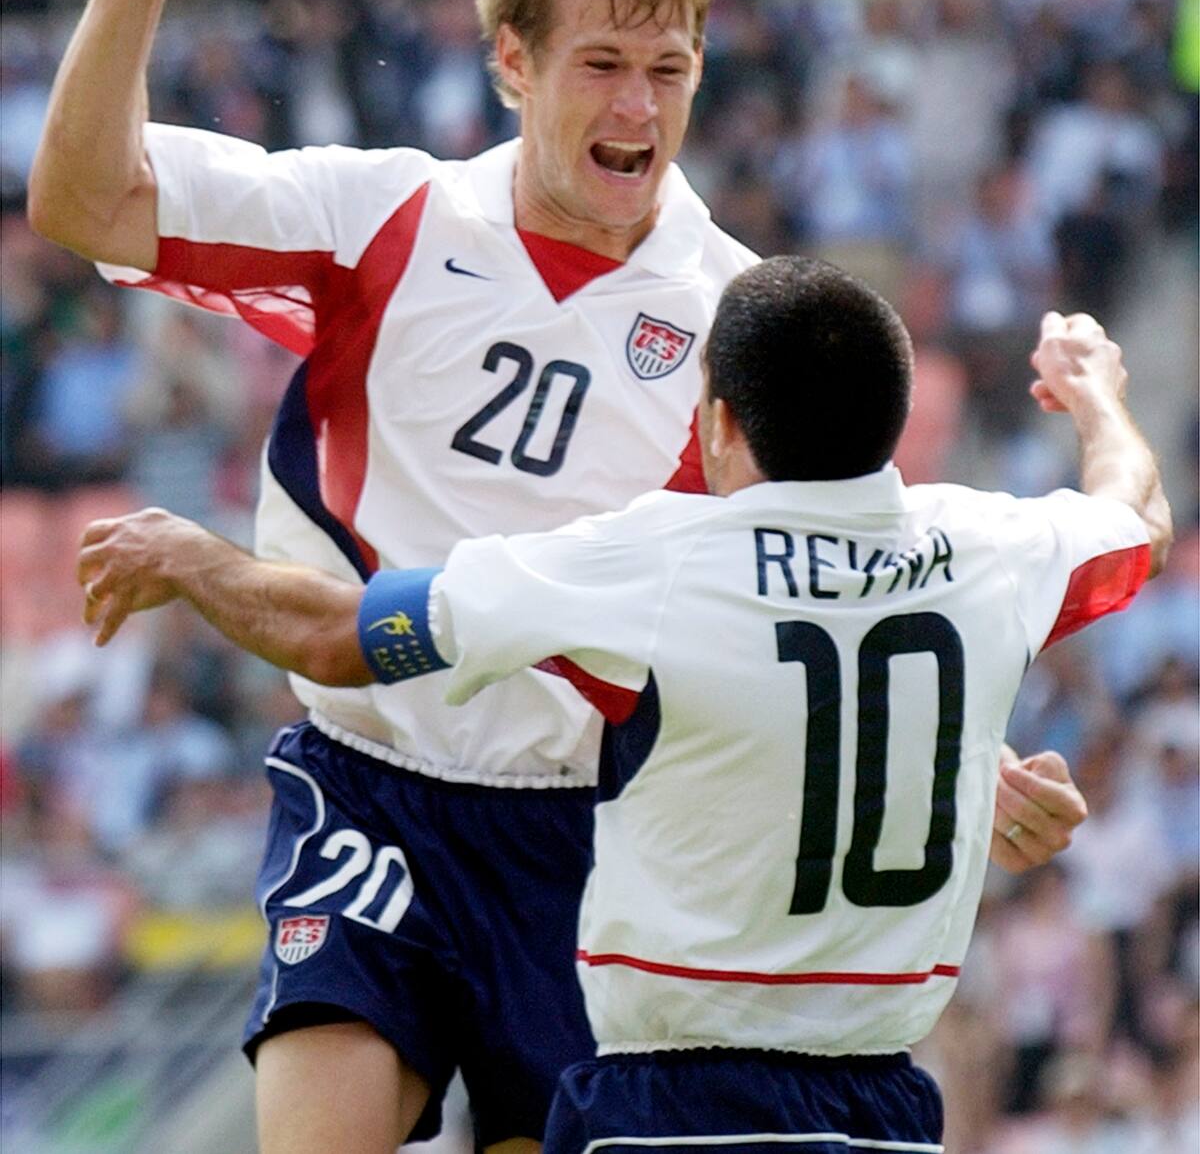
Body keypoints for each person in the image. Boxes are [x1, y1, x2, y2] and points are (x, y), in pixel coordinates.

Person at [31, 0, 1087, 1153]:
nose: (638, 108)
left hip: (593, 834)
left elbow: (842, 574)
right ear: (513, 61)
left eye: (668, 68)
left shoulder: (743, 318)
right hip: (376, 781)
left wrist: (968, 764)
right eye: (601, 64)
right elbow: (84, 199)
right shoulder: (383, 220)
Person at [77, 265, 1170, 1150]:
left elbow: (333, 635)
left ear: (723, 421)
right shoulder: (992, 546)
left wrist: (188, 555)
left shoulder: (654, 564)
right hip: (882, 1107)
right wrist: (1097, 396)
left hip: (673, 1110)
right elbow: (1138, 514)